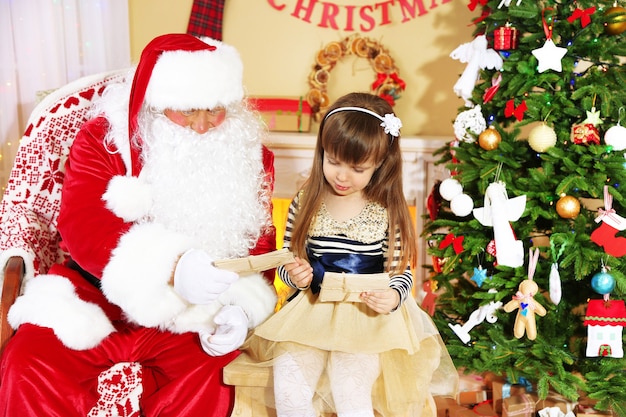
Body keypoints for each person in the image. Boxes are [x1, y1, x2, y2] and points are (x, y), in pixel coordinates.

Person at [0, 33, 278, 416]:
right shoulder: (102, 140)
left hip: (194, 312)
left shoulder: (248, 154)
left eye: (215, 109)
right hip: (93, 297)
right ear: (155, 106)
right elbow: (84, 225)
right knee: (28, 365)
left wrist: (241, 309)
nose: (202, 125)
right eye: (187, 111)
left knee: (218, 375)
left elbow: (259, 245)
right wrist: (172, 267)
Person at [244, 92, 459, 417]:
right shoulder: (306, 200)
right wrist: (295, 274)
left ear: (380, 163)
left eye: (357, 168)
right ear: (323, 153)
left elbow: (401, 273)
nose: (342, 176)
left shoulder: (389, 210)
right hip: (309, 316)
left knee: (351, 393)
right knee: (290, 391)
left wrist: (393, 296)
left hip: (364, 320)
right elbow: (288, 261)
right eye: (333, 162)